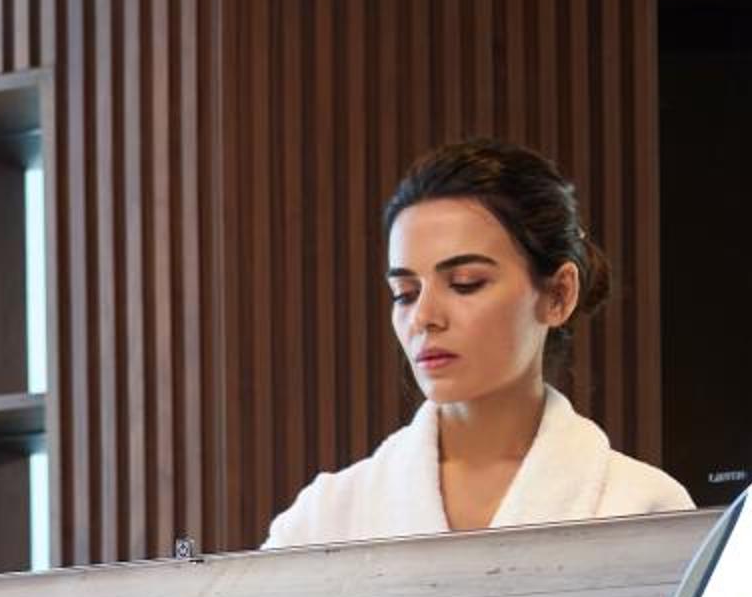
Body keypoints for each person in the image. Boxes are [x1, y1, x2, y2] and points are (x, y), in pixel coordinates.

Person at [263, 139, 694, 546]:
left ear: (559, 295)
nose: (424, 317)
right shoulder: (323, 520)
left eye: (466, 283)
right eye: (405, 294)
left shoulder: (645, 509)